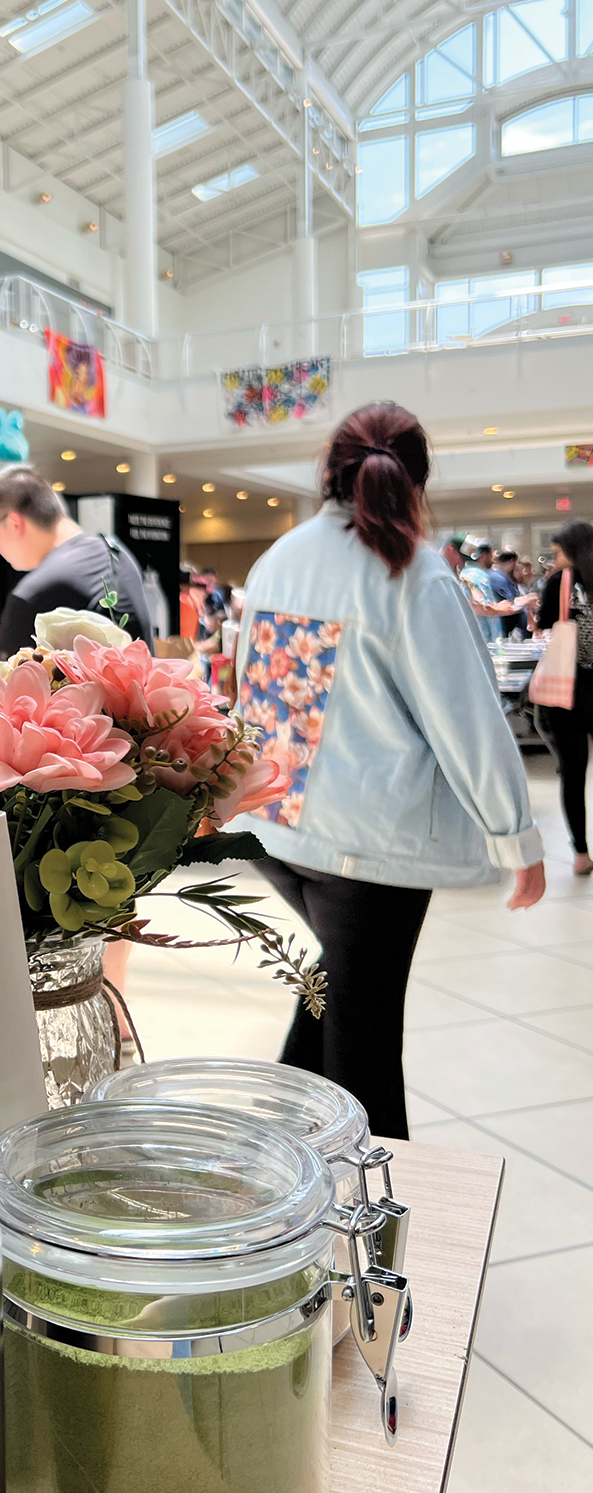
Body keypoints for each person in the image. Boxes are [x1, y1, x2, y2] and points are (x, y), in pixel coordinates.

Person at [234, 402, 545, 1139]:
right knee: (365, 1042)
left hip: (281, 832)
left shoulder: (280, 558)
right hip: (369, 851)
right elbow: (465, 721)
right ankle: (373, 1224)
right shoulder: (414, 574)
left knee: (336, 995)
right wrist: (517, 839)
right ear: (417, 478)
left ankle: (279, 1156)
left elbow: (258, 691)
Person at [0, 465, 153, 690]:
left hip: (94, 722)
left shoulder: (38, 590)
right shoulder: (115, 551)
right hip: (145, 715)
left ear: (15, 523)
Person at [536, 520, 593, 875]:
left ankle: (581, 854)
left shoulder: (560, 582)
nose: (554, 560)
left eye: (557, 553)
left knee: (573, 775)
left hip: (568, 690)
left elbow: (544, 622)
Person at [487, 549, 527, 635]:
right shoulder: (498, 579)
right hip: (503, 627)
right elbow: (510, 604)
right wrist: (528, 600)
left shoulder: (502, 577)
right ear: (512, 562)